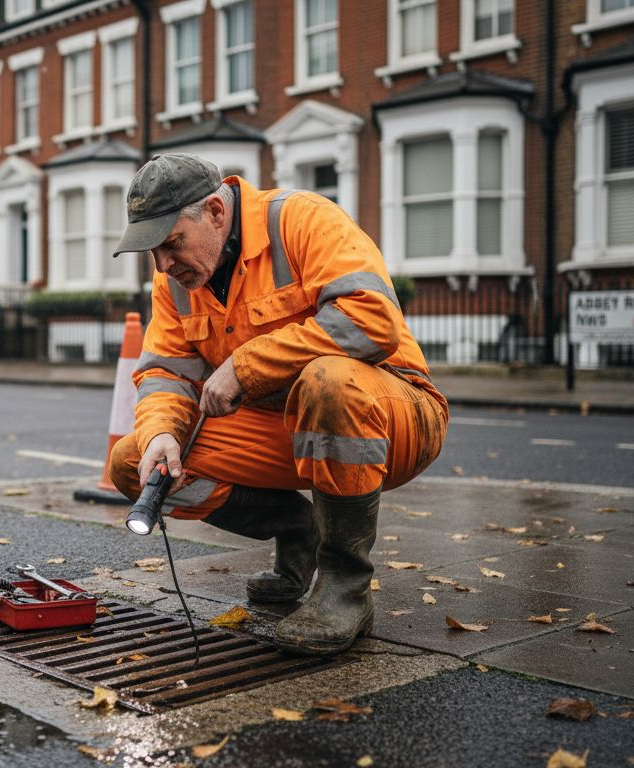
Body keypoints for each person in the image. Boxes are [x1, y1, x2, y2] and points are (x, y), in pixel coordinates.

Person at [107, 153, 449, 657]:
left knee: (328, 381)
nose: (163, 264)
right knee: (136, 462)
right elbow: (165, 372)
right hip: (286, 430)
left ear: (216, 212)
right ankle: (299, 529)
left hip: (392, 414)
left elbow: (373, 320)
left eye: (172, 242)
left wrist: (246, 366)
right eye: (152, 250)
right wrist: (162, 431)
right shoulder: (175, 283)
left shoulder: (303, 219)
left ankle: (344, 586)